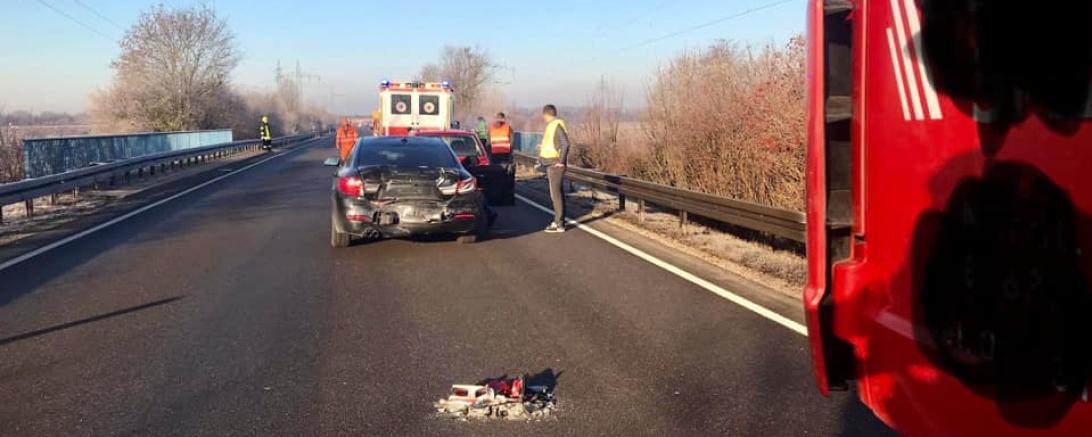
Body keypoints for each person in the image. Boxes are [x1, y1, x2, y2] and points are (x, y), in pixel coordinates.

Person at [537, 104, 571, 233]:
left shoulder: (556, 125)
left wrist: (561, 161)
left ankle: (559, 223)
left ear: (546, 114)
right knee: (557, 193)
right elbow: (553, 144)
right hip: (550, 163)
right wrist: (542, 147)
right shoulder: (552, 126)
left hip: (554, 164)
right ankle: (559, 221)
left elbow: (566, 143)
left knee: (555, 194)